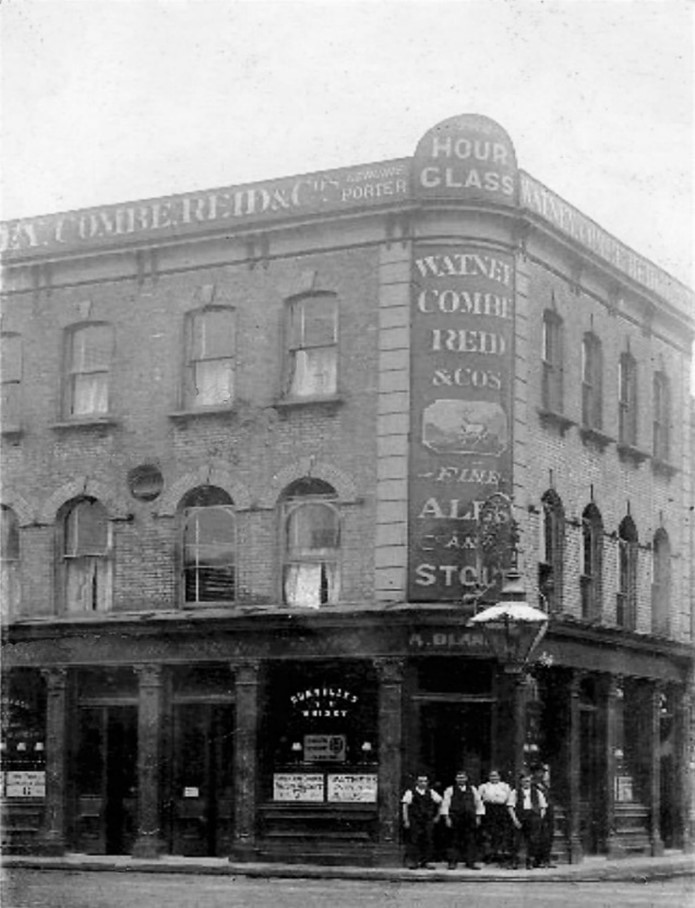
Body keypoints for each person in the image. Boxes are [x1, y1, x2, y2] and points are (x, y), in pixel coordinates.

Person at [440, 769, 485, 870]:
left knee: (471, 840)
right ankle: (452, 862)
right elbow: (445, 804)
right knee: (454, 840)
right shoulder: (450, 790)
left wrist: (478, 817)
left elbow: (478, 803)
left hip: (469, 818)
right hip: (455, 817)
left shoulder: (473, 789)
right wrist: (447, 818)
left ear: (466, 778)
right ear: (456, 779)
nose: (461, 779)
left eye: (463, 777)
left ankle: (470, 862)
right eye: (459, 778)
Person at [401, 773, 442, 869]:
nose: (423, 783)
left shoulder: (431, 792)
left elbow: (440, 802)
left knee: (427, 840)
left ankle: (426, 861)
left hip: (427, 820)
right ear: (416, 782)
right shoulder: (410, 792)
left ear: (427, 783)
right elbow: (405, 806)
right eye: (420, 781)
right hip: (415, 819)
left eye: (425, 781)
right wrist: (406, 820)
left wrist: (437, 816)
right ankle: (414, 861)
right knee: (414, 840)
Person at [507, 772, 547, 869]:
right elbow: (510, 807)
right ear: (521, 782)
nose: (526, 783)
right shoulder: (515, 792)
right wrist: (515, 820)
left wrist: (539, 818)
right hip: (520, 816)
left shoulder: (537, 792)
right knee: (516, 840)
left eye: (528, 781)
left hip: (533, 817)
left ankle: (530, 862)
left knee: (533, 840)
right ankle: (514, 862)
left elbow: (543, 807)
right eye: (524, 781)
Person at [478, 767, 513, 865]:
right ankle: (489, 855)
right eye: (492, 776)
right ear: (488, 777)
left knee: (501, 833)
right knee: (490, 833)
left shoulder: (505, 786)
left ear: (499, 776)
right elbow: (478, 800)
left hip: (502, 811)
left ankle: (500, 855)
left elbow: (510, 799)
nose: (494, 778)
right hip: (488, 810)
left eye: (496, 776)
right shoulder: (483, 787)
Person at [532, 763, 556, 868]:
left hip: (548, 813)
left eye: (542, 772)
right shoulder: (532, 784)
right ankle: (538, 860)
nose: (541, 774)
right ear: (535, 773)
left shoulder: (544, 784)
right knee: (539, 837)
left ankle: (546, 859)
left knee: (548, 837)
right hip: (539, 813)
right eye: (539, 772)